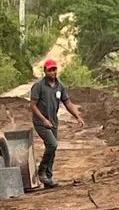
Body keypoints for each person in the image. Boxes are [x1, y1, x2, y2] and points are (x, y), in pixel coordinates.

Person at [30, 59, 85, 187]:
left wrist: (77, 116)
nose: (53, 72)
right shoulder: (38, 86)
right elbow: (32, 106)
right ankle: (42, 171)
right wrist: (43, 120)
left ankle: (48, 179)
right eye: (50, 70)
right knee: (53, 145)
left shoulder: (60, 86)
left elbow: (67, 103)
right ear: (45, 71)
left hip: (53, 122)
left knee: (52, 150)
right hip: (40, 122)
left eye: (54, 69)